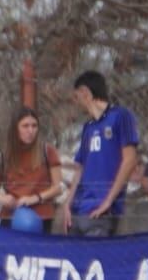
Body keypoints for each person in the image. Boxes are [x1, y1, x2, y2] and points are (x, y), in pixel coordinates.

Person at [58, 70, 140, 238]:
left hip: (100, 210)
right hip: (79, 209)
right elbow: (81, 167)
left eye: (76, 97)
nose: (76, 102)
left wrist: (108, 201)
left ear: (85, 93)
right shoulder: (88, 127)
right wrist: (68, 202)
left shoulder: (120, 116)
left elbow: (129, 160)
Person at [0, 108, 63, 228]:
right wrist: (1, 198)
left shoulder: (47, 151)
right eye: (25, 126)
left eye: (34, 126)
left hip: (42, 217)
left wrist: (35, 198)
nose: (30, 130)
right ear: (15, 129)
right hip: (11, 216)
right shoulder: (2, 158)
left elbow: (57, 188)